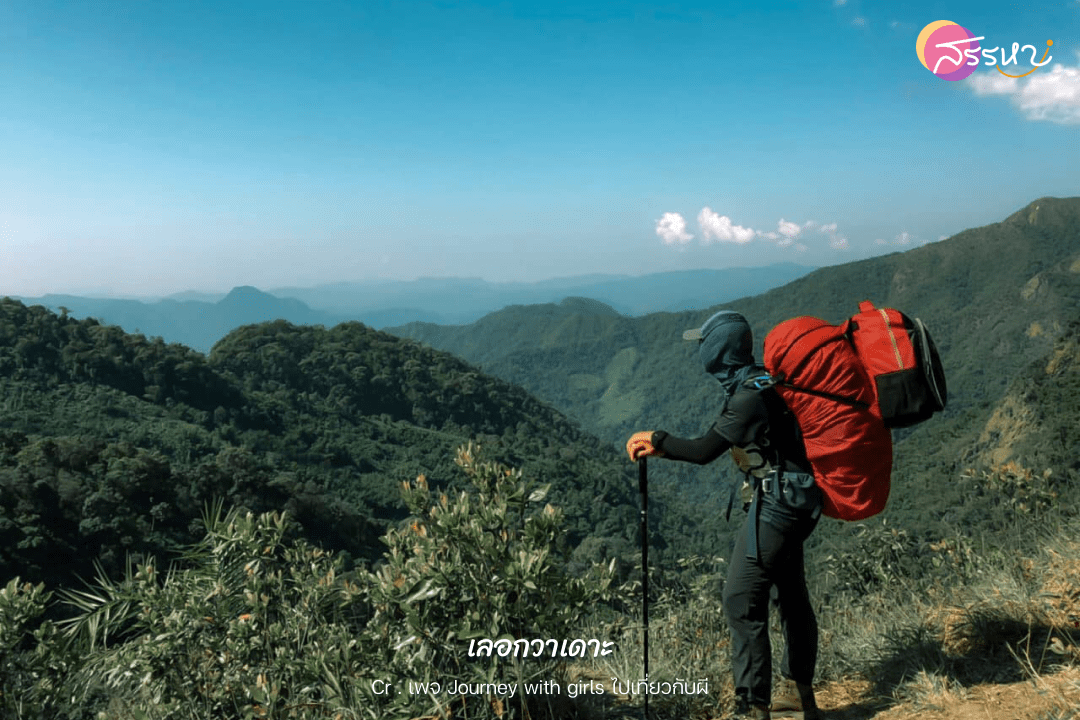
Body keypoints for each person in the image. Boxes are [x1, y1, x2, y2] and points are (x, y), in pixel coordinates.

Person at [626, 310, 824, 720]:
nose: (701, 351)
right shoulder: (761, 380)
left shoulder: (748, 396)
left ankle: (752, 706)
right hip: (798, 500)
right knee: (789, 594)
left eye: (704, 344)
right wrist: (664, 448)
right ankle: (797, 694)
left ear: (719, 350)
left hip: (779, 504)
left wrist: (656, 438)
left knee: (740, 598)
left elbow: (703, 452)